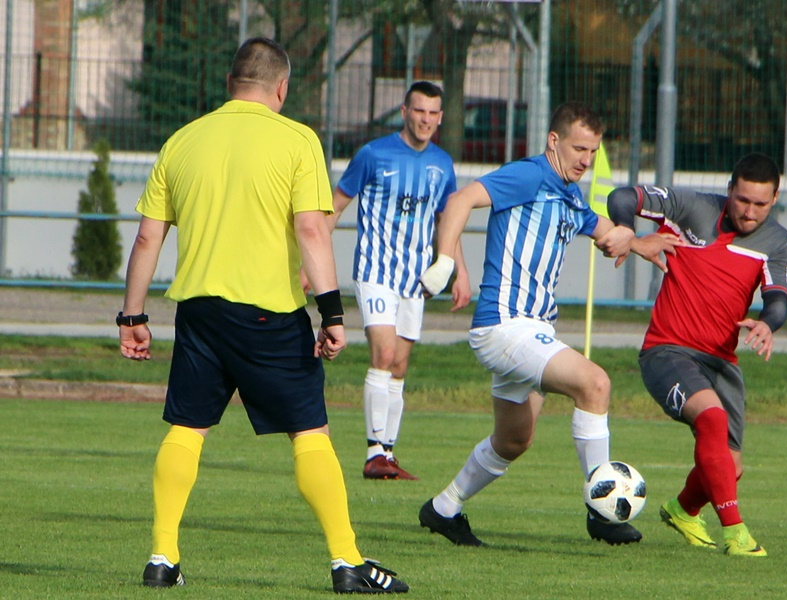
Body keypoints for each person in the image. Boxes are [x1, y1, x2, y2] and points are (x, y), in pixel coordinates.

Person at [117, 37, 408, 593]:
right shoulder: (297, 140)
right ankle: (347, 562)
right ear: (281, 88)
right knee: (309, 432)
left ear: (231, 84)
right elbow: (311, 229)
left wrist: (131, 317)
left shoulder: (183, 140)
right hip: (269, 316)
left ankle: (162, 556)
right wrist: (332, 314)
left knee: (187, 429)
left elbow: (149, 236)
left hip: (199, 313)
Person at [415, 101, 648, 547]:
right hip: (506, 326)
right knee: (595, 384)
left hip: (530, 330)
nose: (585, 159)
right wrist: (445, 262)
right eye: (578, 148)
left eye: (593, 152)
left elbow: (602, 229)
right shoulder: (528, 175)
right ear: (553, 141)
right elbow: (460, 200)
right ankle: (602, 513)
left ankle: (443, 508)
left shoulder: (569, 195)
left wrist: (638, 241)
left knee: (513, 440)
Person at [606, 152, 787, 557]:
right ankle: (736, 534)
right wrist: (627, 233)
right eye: (742, 200)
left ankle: (683, 510)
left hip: (721, 363)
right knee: (711, 418)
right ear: (729, 190)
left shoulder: (776, 242)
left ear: (775, 198)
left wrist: (767, 323)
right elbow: (622, 197)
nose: (749, 212)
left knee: (730, 467)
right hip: (667, 351)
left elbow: (777, 300)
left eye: (760, 204)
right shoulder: (692, 208)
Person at [330, 81, 470, 481]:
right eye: (418, 110)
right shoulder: (373, 155)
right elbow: (335, 206)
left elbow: (446, 221)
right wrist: (310, 262)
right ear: (405, 112)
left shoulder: (441, 163)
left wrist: (459, 271)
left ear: (441, 118)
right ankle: (373, 453)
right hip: (376, 272)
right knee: (385, 354)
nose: (425, 119)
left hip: (416, 279)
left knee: (400, 364)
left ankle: (387, 453)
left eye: (433, 113)